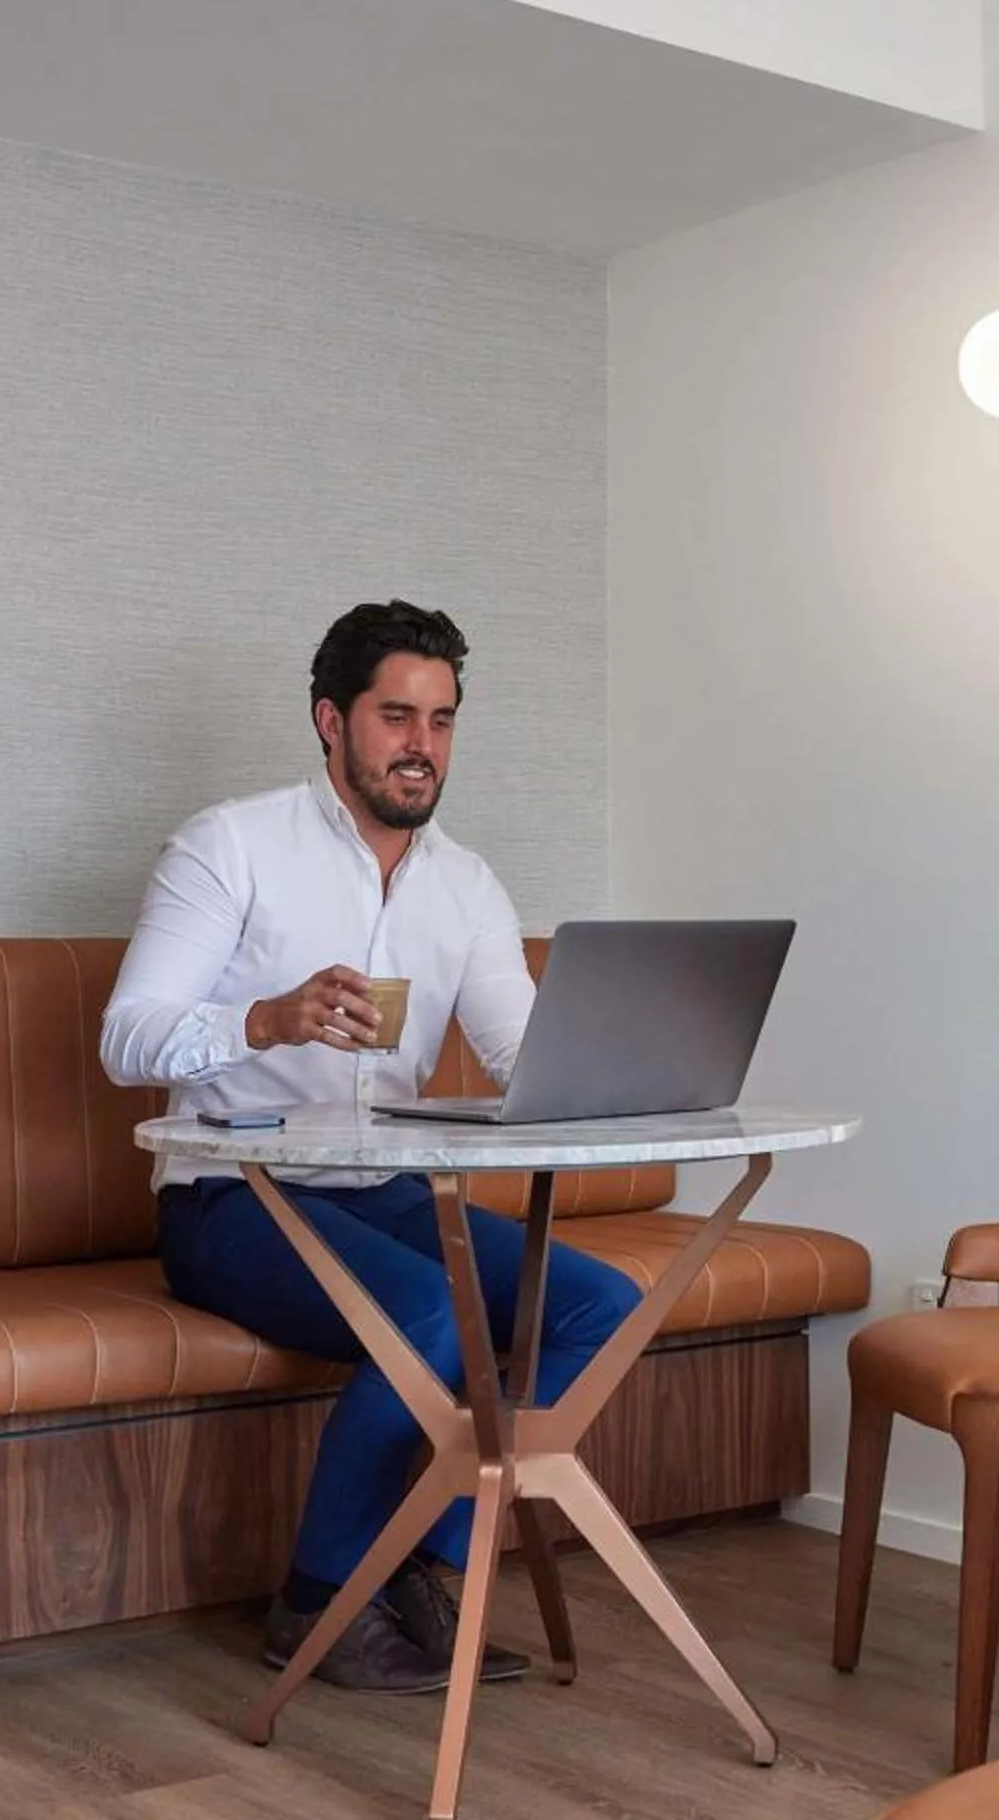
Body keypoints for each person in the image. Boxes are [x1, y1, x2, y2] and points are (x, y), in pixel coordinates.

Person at [100, 599, 641, 1694]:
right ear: (329, 720)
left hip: (387, 1187)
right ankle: (316, 1603)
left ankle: (422, 1572)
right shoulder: (231, 844)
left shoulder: (466, 883)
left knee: (594, 1304)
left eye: (441, 720)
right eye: (397, 715)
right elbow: (125, 1035)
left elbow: (519, 1048)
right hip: (230, 1192)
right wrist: (268, 1016)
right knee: (428, 1306)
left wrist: (624, 1060)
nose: (421, 744)